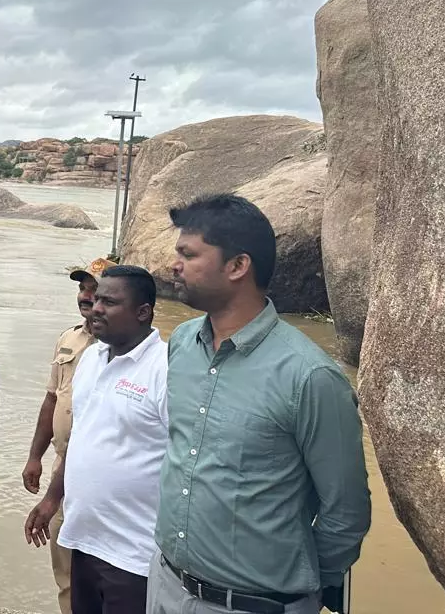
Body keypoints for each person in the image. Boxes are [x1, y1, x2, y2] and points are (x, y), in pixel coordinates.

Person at [149, 194, 371, 614]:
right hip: (165, 584)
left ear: (237, 266)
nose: (174, 265)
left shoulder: (310, 376)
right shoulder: (181, 342)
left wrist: (293, 593)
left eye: (188, 254)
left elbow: (346, 512)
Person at [25, 265, 168, 614]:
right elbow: (81, 440)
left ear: (142, 312)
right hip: (84, 539)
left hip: (135, 554)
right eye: (96, 298)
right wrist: (52, 498)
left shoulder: (166, 367)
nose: (96, 307)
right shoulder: (91, 358)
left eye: (109, 301)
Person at [22, 268, 99, 614]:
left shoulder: (127, 349)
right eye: (83, 289)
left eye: (95, 291)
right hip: (60, 467)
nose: (85, 296)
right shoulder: (69, 338)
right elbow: (52, 399)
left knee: (105, 576)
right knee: (65, 572)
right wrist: (34, 456)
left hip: (98, 476)